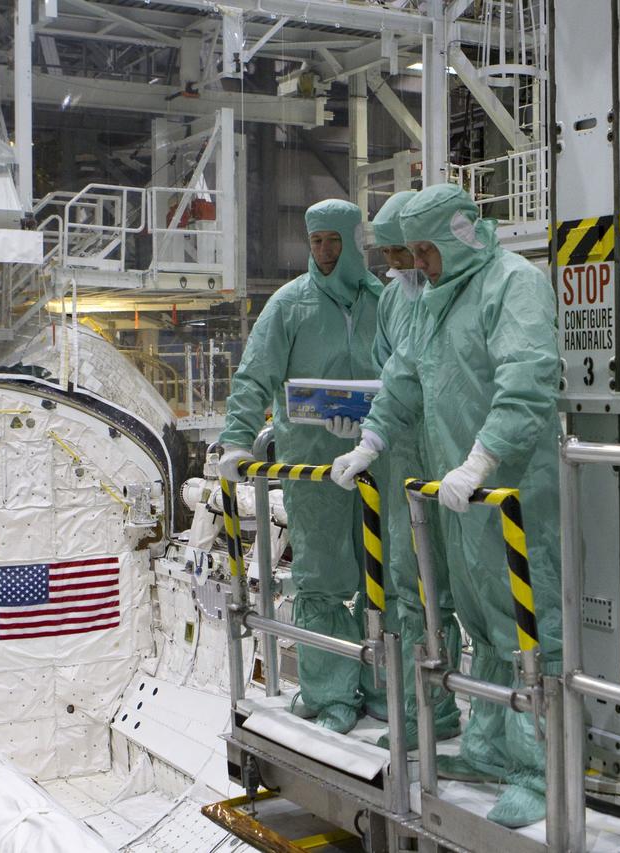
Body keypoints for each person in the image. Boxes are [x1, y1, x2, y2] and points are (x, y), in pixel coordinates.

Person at [330, 184, 562, 828]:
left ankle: (542, 774)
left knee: (530, 624)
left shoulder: (512, 283)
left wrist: (484, 458)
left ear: (458, 235)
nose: (417, 266)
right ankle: (491, 748)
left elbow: (528, 375)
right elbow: (406, 376)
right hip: (461, 493)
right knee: (489, 626)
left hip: (515, 490)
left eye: (425, 252)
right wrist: (371, 442)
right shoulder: (436, 298)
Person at [220, 199, 383, 734]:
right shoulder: (290, 305)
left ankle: (387, 691)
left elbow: (412, 374)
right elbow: (254, 375)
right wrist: (236, 442)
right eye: (316, 242)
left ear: (353, 242)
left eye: (334, 240)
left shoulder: (385, 302)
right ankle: (330, 694)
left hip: (383, 460)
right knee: (322, 577)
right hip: (313, 466)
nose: (325, 251)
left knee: (390, 578)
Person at [359, 190, 464, 750]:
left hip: (460, 454)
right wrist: (369, 430)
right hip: (405, 452)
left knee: (476, 588)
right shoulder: (394, 301)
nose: (400, 265)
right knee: (411, 578)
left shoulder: (468, 293)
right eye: (393, 254)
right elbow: (391, 371)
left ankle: (501, 729)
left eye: (408, 252)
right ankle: (429, 707)